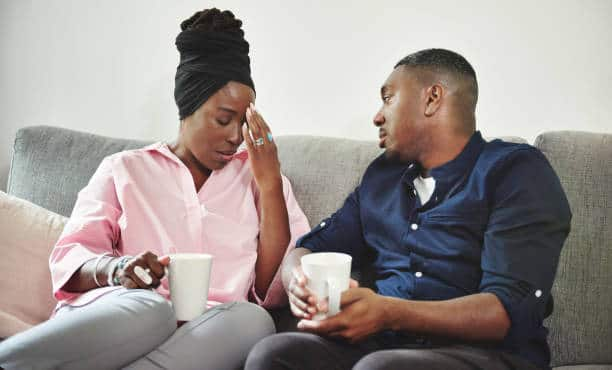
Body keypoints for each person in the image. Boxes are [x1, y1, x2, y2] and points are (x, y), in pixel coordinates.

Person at [0, 8, 310, 370]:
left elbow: (272, 288)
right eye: (224, 119)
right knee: (153, 310)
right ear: (187, 107)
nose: (234, 135)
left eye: (243, 122)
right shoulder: (125, 169)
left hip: (212, 332)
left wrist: (270, 183)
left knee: (254, 320)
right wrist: (118, 270)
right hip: (129, 314)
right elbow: (72, 258)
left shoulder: (260, 176)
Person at [245, 48, 571, 370]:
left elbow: (507, 310)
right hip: (383, 346)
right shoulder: (382, 177)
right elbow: (310, 249)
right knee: (275, 353)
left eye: (388, 98)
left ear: (432, 99)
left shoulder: (514, 171)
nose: (377, 116)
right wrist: (297, 280)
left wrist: (388, 312)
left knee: (382, 367)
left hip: (486, 354)